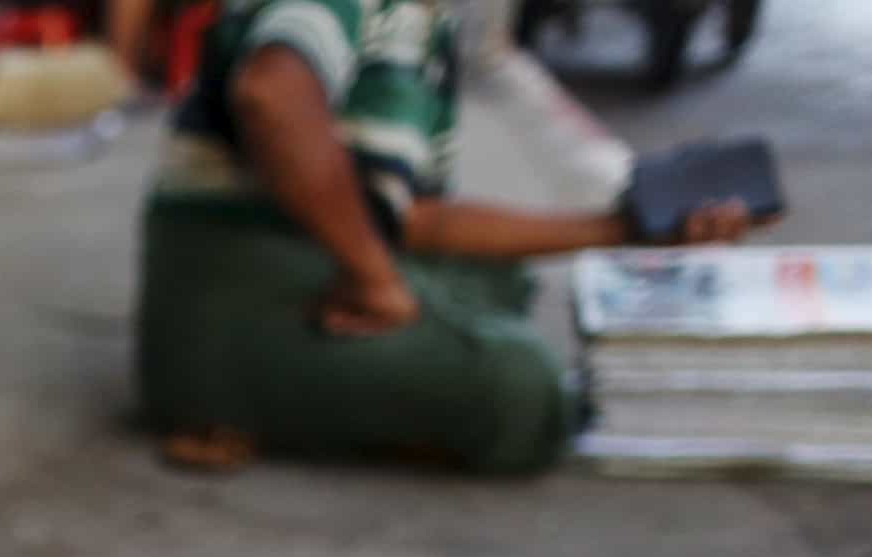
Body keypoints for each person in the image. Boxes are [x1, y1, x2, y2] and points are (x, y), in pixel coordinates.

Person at [138, 0, 760, 473]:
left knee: (501, 284)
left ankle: (316, 379)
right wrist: (375, 278)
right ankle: (228, 401)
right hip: (228, 289)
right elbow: (272, 93)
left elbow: (420, 220)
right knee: (523, 396)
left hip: (296, 262)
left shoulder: (427, 25)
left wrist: (627, 228)